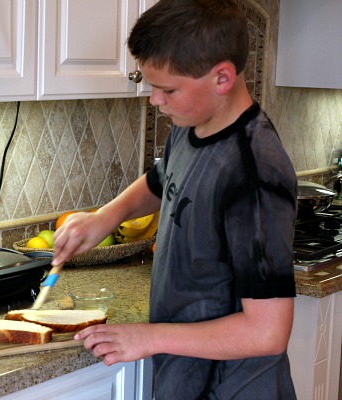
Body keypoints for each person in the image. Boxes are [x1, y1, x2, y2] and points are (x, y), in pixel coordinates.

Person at [51, 0, 298, 398]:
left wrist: (148, 337)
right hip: (187, 373)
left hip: (234, 386)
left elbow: (267, 332)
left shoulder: (254, 173)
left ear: (222, 78)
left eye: (167, 89)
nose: (154, 100)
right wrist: (105, 218)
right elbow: (162, 180)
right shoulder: (192, 122)